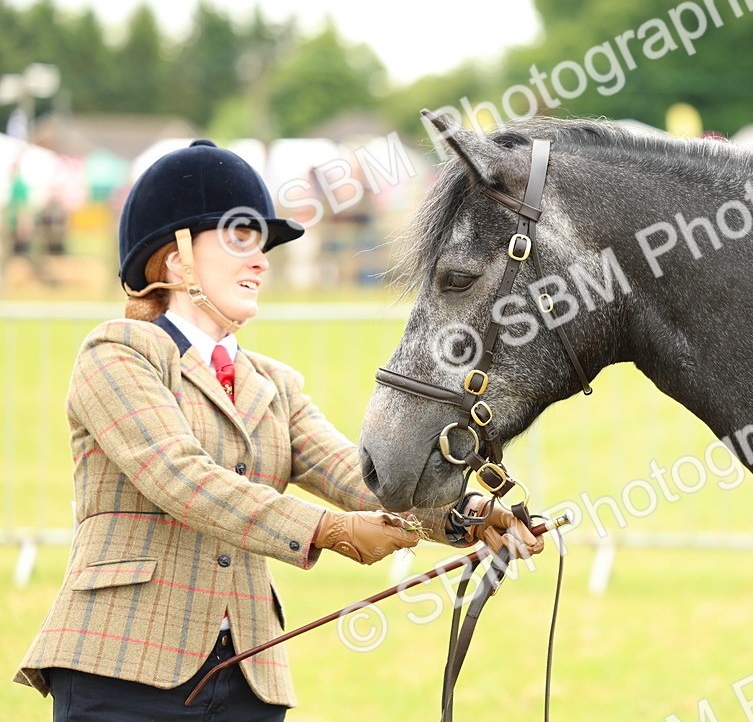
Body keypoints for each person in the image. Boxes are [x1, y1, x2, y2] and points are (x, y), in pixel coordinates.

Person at [12, 139, 541, 720]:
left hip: (246, 676)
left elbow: (354, 473)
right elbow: (182, 479)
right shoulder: (116, 355)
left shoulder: (273, 382)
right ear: (174, 258)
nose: (262, 260)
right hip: (121, 666)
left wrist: (464, 516)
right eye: (241, 241)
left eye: (264, 245)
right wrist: (329, 530)